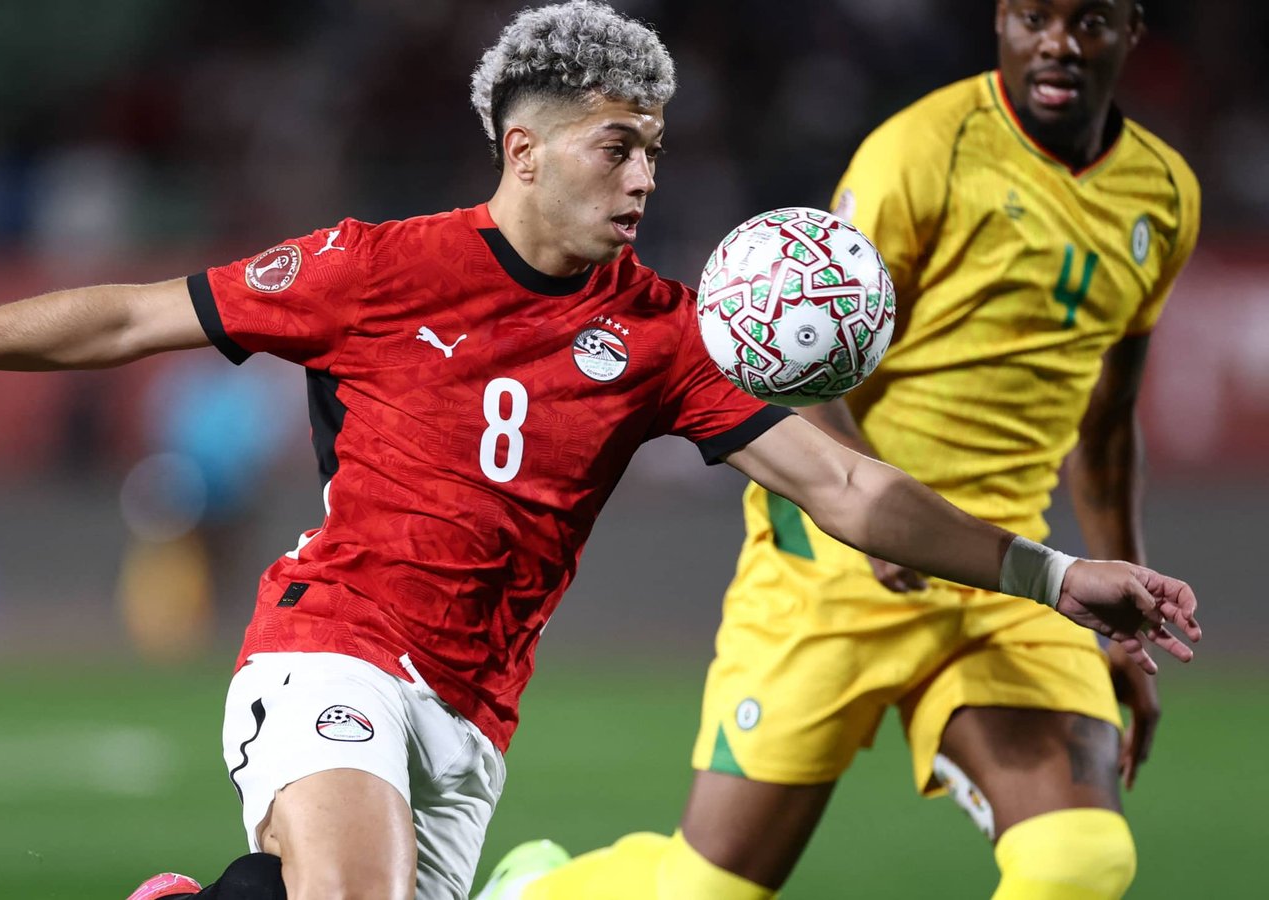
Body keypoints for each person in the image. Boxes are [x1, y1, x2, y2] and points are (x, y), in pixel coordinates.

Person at [0, 3, 1198, 900]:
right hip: (329, 646)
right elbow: (136, 315)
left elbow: (844, 485)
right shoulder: (376, 267)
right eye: (617, 148)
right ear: (524, 152)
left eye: (654, 149)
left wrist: (1052, 574)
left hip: (471, 723)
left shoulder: (663, 335)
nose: (645, 176)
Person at [480, 2, 1201, 899]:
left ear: (1132, 29)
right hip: (831, 567)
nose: (1058, 41)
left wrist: (1124, 602)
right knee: (707, 891)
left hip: (1009, 567)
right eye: (1033, 16)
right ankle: (540, 891)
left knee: (1078, 864)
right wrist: (876, 517)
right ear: (1001, 23)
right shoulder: (925, 153)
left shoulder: (1164, 194)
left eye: (1088, 19)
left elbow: (1108, 414)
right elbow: (806, 358)